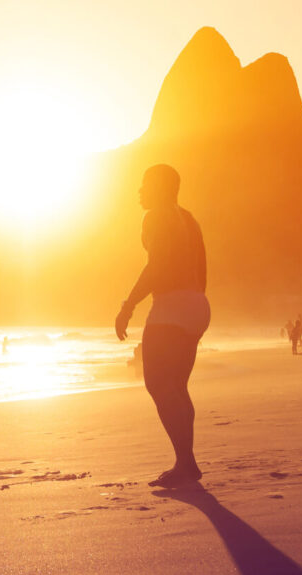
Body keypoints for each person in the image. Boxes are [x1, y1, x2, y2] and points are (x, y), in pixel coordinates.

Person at [116, 164, 210, 488]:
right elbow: (202, 266)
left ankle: (185, 463)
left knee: (158, 384)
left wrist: (128, 306)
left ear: (159, 187)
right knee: (177, 387)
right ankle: (187, 463)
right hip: (196, 304)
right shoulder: (188, 217)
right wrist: (194, 302)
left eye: (144, 184)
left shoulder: (156, 215)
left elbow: (155, 266)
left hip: (172, 306)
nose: (139, 191)